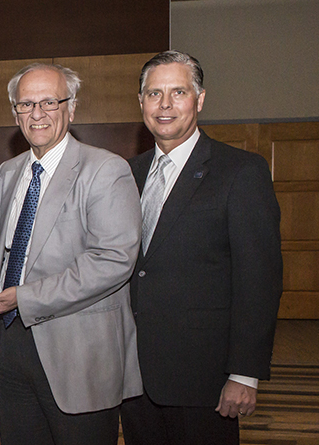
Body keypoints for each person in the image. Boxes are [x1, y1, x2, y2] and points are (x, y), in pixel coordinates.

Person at [120, 50, 282, 445]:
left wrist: (244, 374)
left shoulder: (241, 171)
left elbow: (259, 280)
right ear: (141, 102)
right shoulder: (126, 173)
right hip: (133, 374)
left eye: (178, 92)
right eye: (154, 94)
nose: (165, 105)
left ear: (200, 99)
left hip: (203, 381)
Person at [0, 63, 142, 445]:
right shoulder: (7, 171)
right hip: (12, 346)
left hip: (78, 355)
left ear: (71, 108)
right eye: (25, 104)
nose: (36, 114)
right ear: (15, 113)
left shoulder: (105, 170)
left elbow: (113, 259)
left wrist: (26, 297)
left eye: (49, 102)